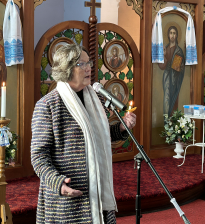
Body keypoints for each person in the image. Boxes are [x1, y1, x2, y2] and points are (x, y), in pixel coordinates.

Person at [31, 44, 136, 224]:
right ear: (67, 68)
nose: (89, 68)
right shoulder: (48, 105)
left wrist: (120, 128)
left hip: (97, 193)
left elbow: (98, 138)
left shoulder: (97, 99)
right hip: (68, 196)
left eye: (89, 63)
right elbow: (39, 156)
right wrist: (58, 183)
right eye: (82, 64)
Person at [158, 26, 185, 116]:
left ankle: (173, 122)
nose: (172, 35)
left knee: (173, 99)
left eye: (174, 33)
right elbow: (162, 66)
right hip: (166, 77)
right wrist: (164, 56)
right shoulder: (165, 49)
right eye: (171, 33)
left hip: (175, 79)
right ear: (168, 35)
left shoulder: (178, 50)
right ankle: (166, 120)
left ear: (177, 35)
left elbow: (177, 67)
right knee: (166, 97)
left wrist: (172, 64)